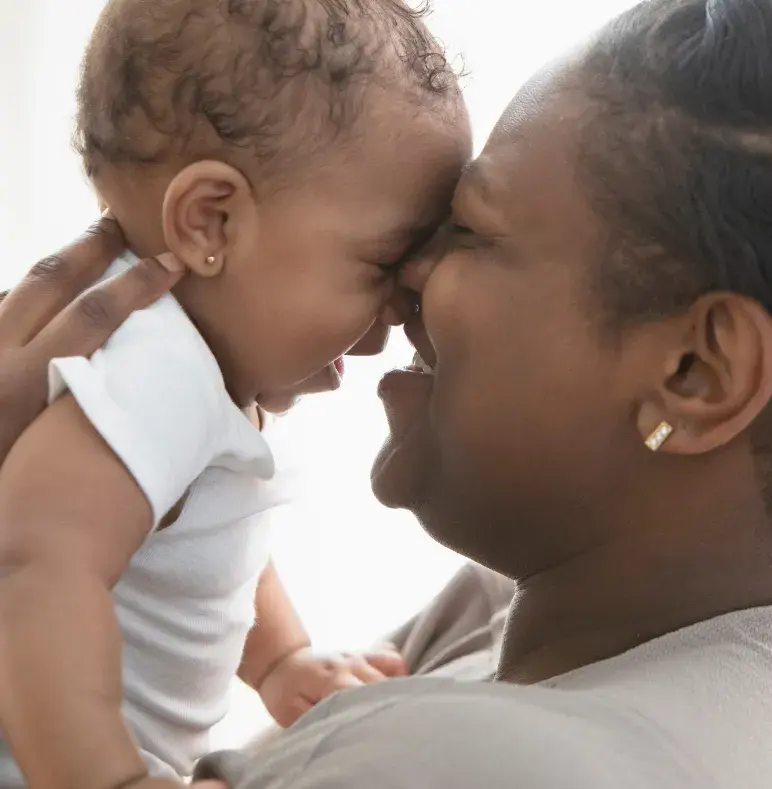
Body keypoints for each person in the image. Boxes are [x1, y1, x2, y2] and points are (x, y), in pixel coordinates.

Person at [1, 0, 772, 786]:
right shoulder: (733, 636)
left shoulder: (457, 762)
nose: (410, 276)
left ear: (696, 373)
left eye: (468, 230)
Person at [0, 0, 470, 787]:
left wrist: (282, 658)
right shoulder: (157, 366)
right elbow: (37, 561)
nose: (404, 305)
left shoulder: (188, 362)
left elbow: (212, 544)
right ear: (212, 222)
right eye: (385, 263)